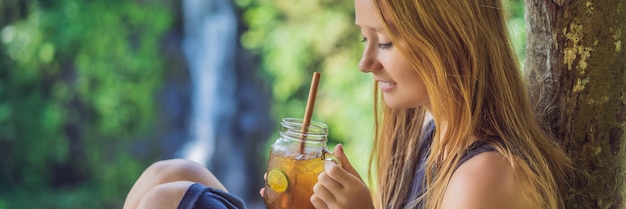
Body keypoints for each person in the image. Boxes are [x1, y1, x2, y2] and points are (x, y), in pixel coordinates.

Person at [123, 0, 572, 208]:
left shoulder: (485, 176)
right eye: (364, 38)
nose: (365, 62)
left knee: (169, 200)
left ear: (450, 40)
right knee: (169, 173)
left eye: (386, 42)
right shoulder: (425, 126)